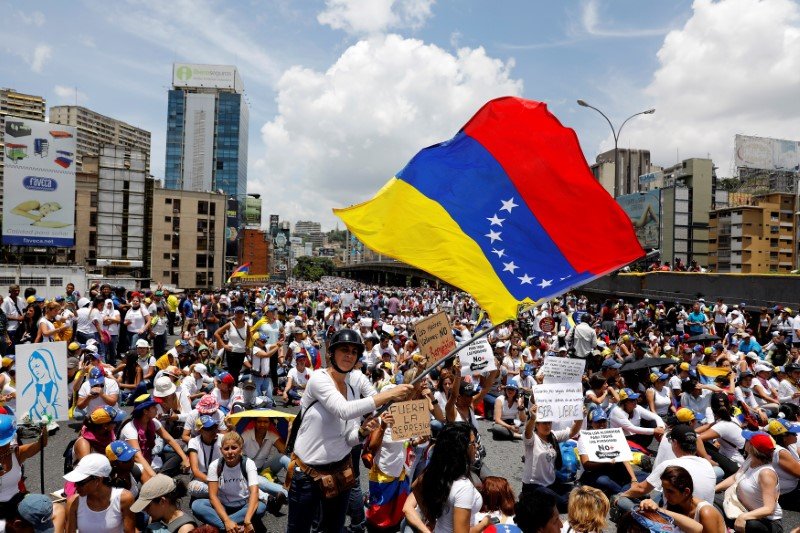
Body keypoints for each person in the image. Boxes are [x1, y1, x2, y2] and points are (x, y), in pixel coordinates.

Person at [287, 328, 412, 532]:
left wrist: (362, 432)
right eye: (344, 349)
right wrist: (389, 396)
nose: (349, 355)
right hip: (307, 476)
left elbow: (348, 438)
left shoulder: (353, 389)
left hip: (340, 473)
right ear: (331, 353)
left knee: (333, 530)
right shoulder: (319, 378)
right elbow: (343, 410)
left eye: (354, 352)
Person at [413, 422, 494, 532]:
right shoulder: (463, 487)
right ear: (460, 449)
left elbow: (416, 486)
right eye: (473, 443)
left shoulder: (437, 471)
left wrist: (431, 519)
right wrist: (485, 523)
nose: (477, 446)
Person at [617, 424, 717, 512]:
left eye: (670, 441)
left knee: (622, 501)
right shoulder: (707, 463)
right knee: (660, 496)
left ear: (675, 443)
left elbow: (641, 489)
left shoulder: (669, 465)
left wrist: (622, 496)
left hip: (675, 521)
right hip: (705, 518)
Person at [191, 431, 267, 533]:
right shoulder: (215, 466)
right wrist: (227, 521)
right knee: (197, 505)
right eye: (226, 448)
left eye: (234, 448)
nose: (230, 452)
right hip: (223, 507)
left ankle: (218, 528)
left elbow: (254, 492)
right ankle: (233, 527)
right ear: (221, 450)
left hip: (244, 505)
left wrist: (248, 520)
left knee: (261, 507)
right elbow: (213, 496)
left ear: (241, 448)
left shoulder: (248, 463)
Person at [715, 431, 782, 533]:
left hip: (766, 522)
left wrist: (744, 517)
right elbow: (735, 478)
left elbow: (769, 509)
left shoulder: (766, 473)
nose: (744, 441)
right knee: (710, 501)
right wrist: (713, 489)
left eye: (747, 440)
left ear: (751, 447)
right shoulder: (750, 460)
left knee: (750, 524)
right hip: (742, 509)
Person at [521, 404, 583, 512]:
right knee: (564, 503)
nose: (548, 426)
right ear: (536, 425)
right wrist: (532, 418)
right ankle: (528, 498)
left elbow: (573, 432)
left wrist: (580, 418)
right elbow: (527, 432)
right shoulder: (532, 439)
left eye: (549, 423)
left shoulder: (553, 436)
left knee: (579, 491)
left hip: (551, 483)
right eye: (544, 423)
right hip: (534, 486)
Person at [638, 465, 726, 533]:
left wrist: (660, 510)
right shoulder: (674, 504)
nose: (665, 494)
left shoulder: (706, 513)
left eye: (670, 491)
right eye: (664, 489)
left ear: (686, 492)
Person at [64, 453, 136, 533]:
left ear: (97, 480)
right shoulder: (73, 502)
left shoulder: (125, 499)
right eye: (75, 482)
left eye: (80, 483)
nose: (76, 487)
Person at [120, 394, 190, 475]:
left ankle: (160, 476)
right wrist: (154, 476)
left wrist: (185, 459)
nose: (157, 408)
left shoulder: (153, 421)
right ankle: (159, 478)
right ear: (145, 411)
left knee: (177, 456)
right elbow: (137, 457)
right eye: (153, 407)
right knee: (139, 470)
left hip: (148, 456)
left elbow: (169, 439)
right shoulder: (130, 429)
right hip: (133, 463)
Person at [577, 408, 640, 494]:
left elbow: (624, 458)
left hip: (612, 468)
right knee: (603, 481)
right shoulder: (584, 438)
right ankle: (626, 494)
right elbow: (586, 465)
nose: (602, 424)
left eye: (604, 421)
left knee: (642, 475)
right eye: (598, 422)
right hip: (592, 472)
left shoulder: (612, 435)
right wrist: (605, 463)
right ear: (591, 423)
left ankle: (627, 490)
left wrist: (633, 478)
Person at [0, 414, 49, 516]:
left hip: (16, 504)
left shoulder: (17, 453)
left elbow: (42, 443)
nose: (3, 447)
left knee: (47, 507)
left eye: (5, 443)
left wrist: (43, 427)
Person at [130, 474, 198, 533]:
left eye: (148, 506)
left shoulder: (185, 529)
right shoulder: (156, 518)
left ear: (163, 501)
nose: (145, 510)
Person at [187, 415, 225, 498]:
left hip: (222, 477)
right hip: (203, 478)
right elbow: (195, 470)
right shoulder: (194, 442)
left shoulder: (223, 439)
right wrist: (213, 482)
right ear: (200, 431)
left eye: (215, 427)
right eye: (209, 429)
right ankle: (225, 495)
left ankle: (220, 495)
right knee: (193, 488)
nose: (213, 431)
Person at [214, 306, 251, 382]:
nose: (239, 314)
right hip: (231, 351)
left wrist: (247, 346)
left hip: (241, 352)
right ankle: (233, 388)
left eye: (241, 312)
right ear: (235, 314)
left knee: (237, 372)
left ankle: (233, 388)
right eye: (238, 312)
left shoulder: (247, 325)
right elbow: (216, 333)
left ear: (244, 314)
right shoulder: (230, 324)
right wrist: (224, 345)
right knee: (232, 372)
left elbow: (249, 336)